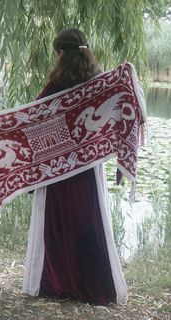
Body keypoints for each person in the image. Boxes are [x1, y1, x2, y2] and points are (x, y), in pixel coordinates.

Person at [22, 28, 127, 305]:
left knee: (57, 227)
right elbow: (116, 113)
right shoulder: (98, 84)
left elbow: (33, 120)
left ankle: (57, 284)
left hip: (58, 172)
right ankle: (93, 284)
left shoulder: (55, 86)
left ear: (60, 54)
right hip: (87, 171)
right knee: (88, 224)